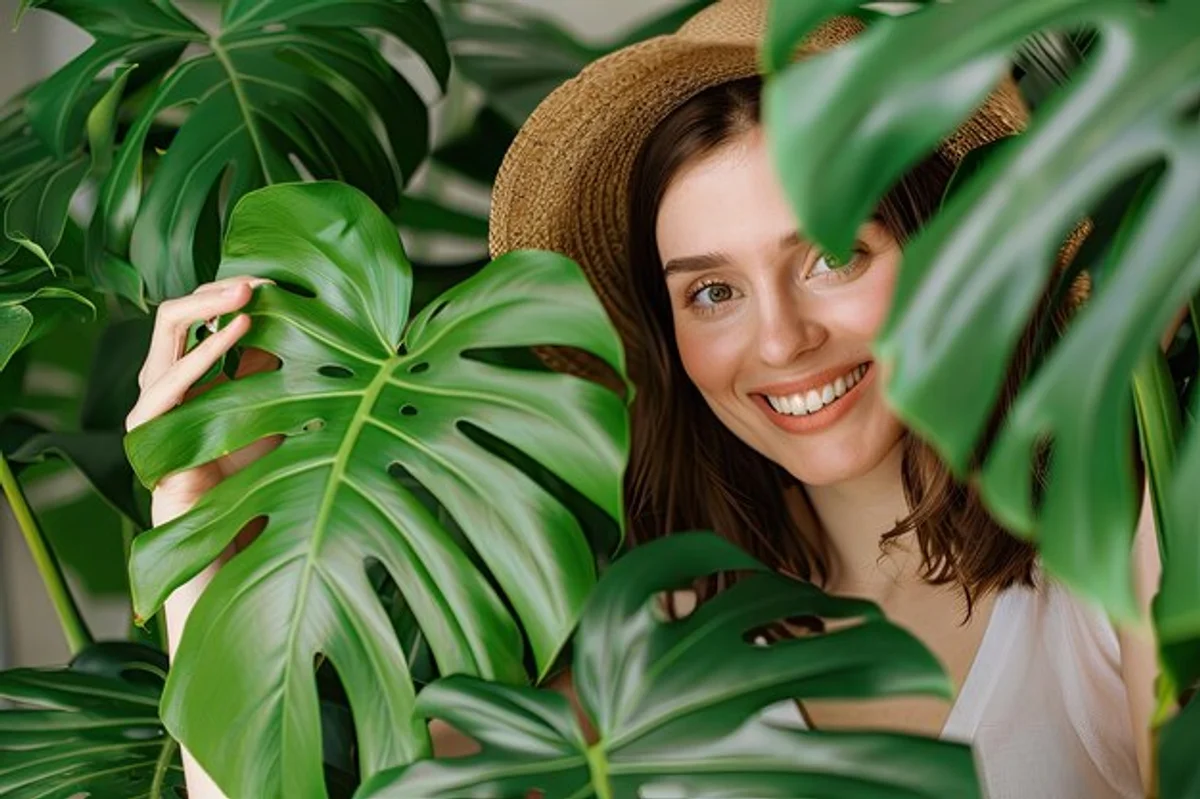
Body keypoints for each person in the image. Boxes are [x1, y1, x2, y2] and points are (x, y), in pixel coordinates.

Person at [127, 1, 1160, 797]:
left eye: (833, 256)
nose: (780, 341)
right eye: (712, 292)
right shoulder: (650, 648)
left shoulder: (1119, 569)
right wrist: (200, 536)